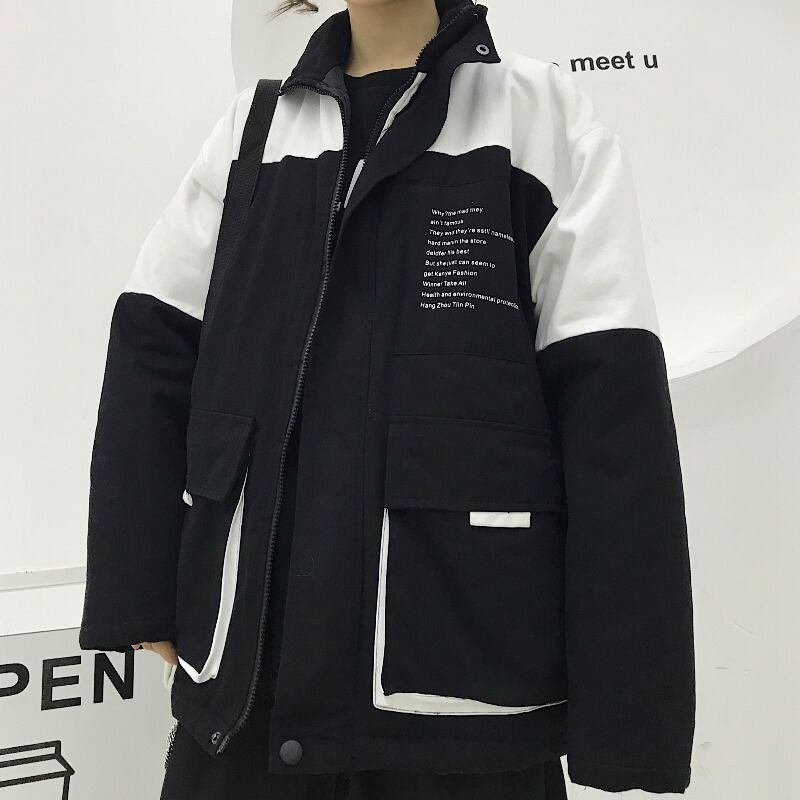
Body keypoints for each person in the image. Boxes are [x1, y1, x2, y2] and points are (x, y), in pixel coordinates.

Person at [79, 0, 696, 797]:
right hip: (243, 705)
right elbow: (152, 349)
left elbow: (613, 413)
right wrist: (139, 595)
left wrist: (630, 717)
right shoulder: (253, 133)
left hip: (460, 717)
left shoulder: (539, 118)